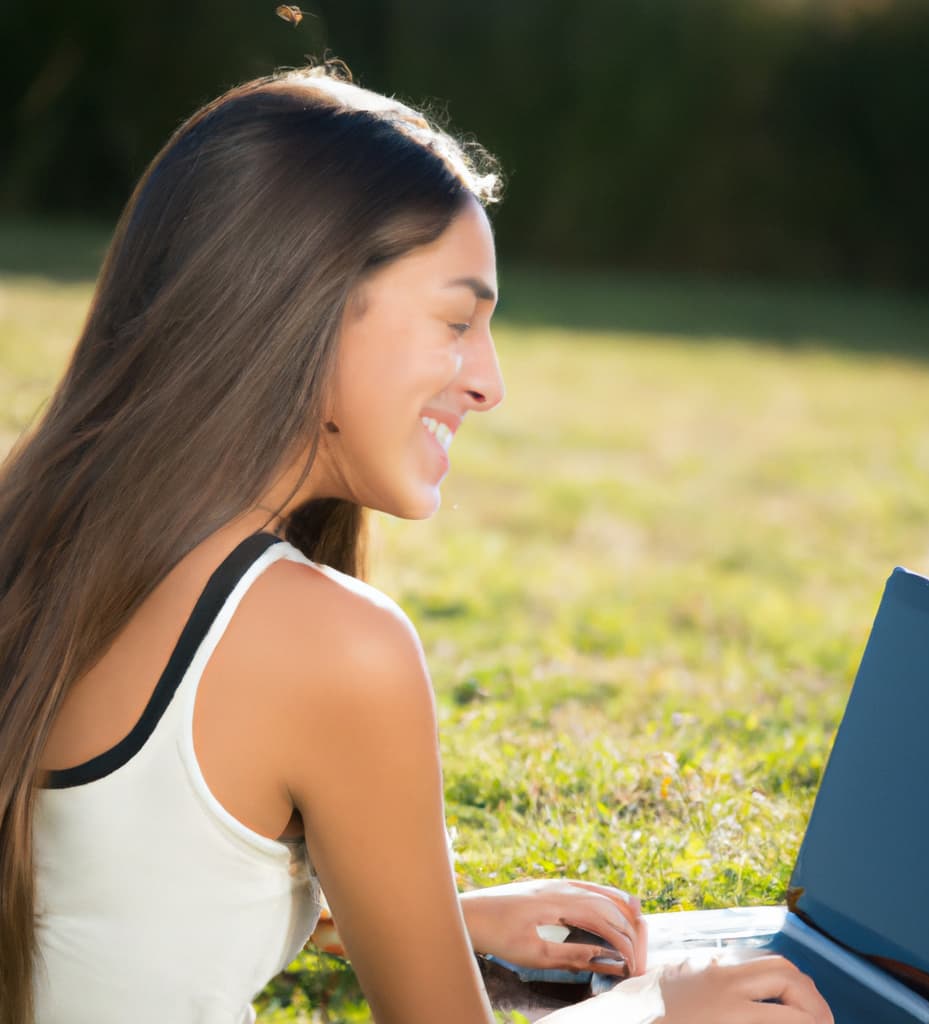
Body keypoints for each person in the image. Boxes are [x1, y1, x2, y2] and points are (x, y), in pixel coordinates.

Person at [0, 66, 833, 1024]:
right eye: (456, 321)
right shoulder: (331, 643)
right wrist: (664, 1013)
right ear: (299, 306)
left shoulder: (42, 534)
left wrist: (434, 916)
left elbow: (116, 884)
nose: (489, 382)